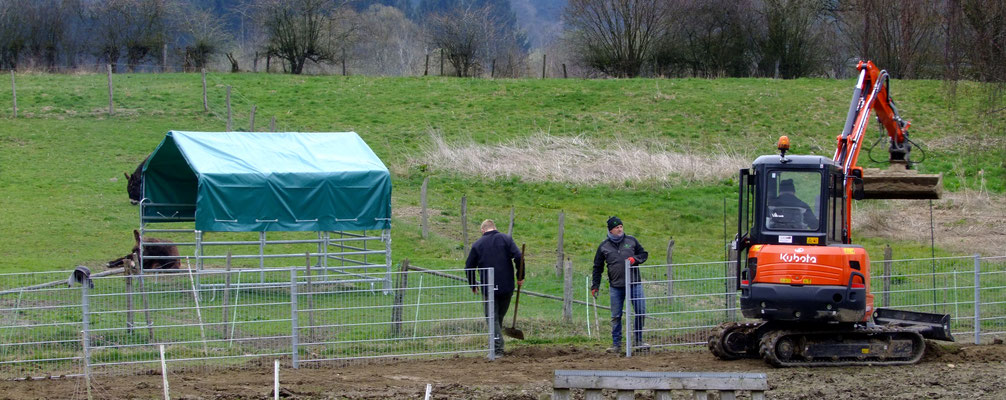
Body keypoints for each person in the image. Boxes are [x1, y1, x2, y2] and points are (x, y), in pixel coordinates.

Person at [465, 219, 523, 357]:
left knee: (492, 319)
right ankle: (495, 345)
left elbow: (468, 267)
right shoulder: (506, 239)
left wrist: (473, 284)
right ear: (494, 227)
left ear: (482, 230)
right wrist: (520, 276)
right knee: (498, 318)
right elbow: (519, 256)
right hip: (507, 286)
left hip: (488, 288)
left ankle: (497, 349)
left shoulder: (478, 244)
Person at [591, 216, 649, 353]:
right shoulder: (604, 246)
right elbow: (597, 267)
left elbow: (644, 254)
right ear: (611, 230)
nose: (620, 229)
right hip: (616, 286)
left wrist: (635, 259)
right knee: (616, 316)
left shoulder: (631, 241)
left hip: (634, 284)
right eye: (617, 227)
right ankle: (616, 344)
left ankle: (638, 340)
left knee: (640, 311)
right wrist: (595, 285)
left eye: (621, 226)